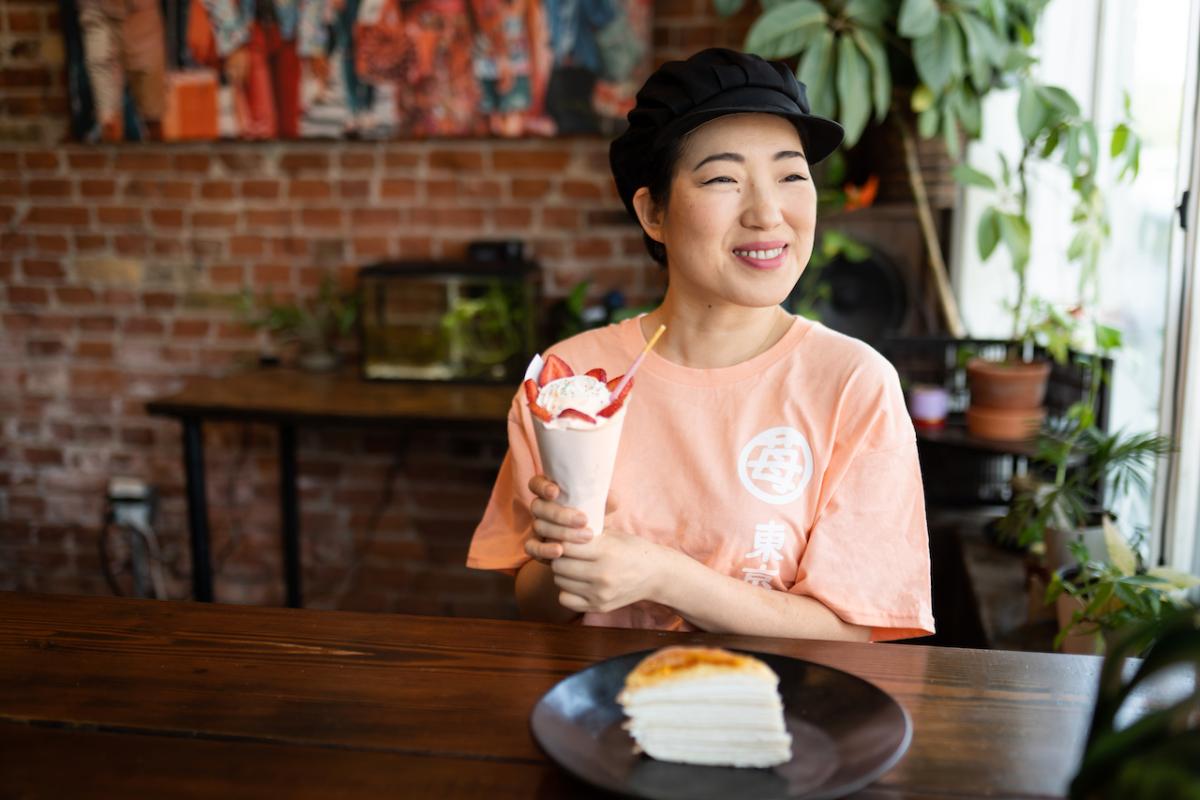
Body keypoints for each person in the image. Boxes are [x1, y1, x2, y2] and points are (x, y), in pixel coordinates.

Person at [467, 48, 935, 643]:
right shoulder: (573, 380)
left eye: (792, 175)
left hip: (779, 717)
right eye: (723, 179)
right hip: (604, 713)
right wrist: (563, 558)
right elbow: (536, 605)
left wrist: (664, 575)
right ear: (652, 213)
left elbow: (850, 631)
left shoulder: (852, 382)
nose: (768, 213)